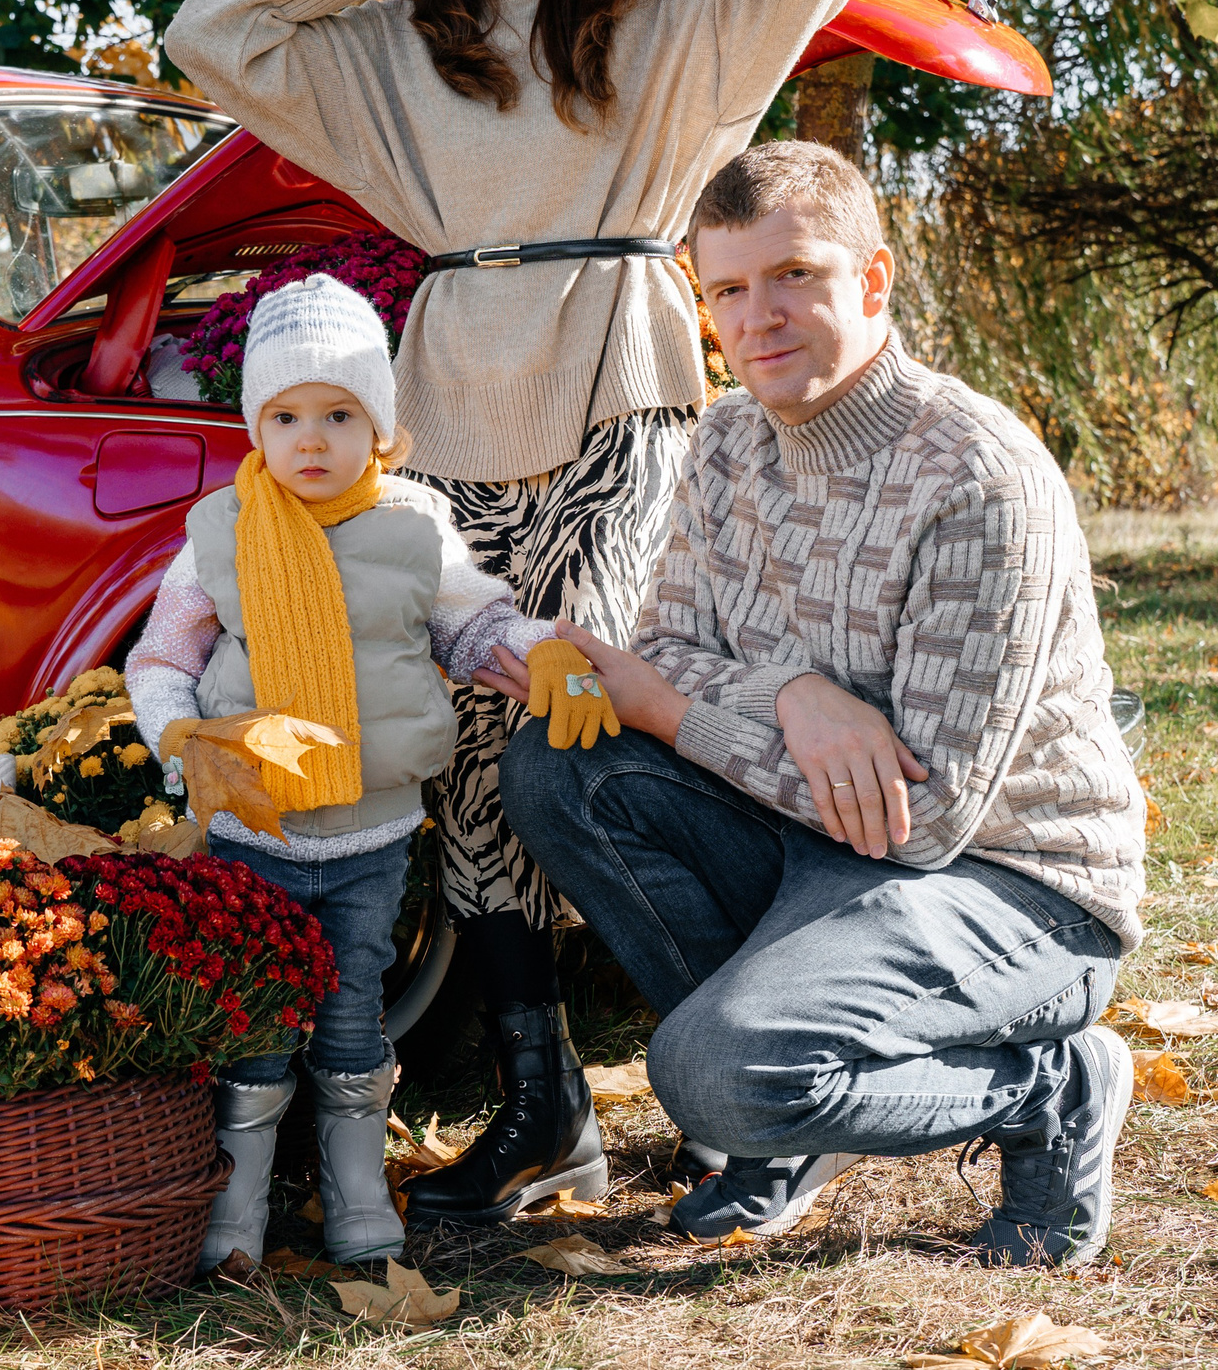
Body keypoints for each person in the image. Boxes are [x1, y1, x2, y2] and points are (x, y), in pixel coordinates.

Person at [163, 0, 871, 1221]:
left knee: (598, 710)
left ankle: (753, 1085)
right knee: (475, 754)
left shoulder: (674, 0)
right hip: (455, 395)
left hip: (621, 378)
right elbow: (209, 35)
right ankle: (548, 1107)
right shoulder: (396, 40)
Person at [486, 142, 1148, 1267]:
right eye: (730, 290)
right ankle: (791, 1121)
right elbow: (672, 645)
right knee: (563, 757)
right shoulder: (731, 441)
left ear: (873, 282)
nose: (760, 317)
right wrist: (791, 692)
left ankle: (1048, 1085)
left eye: (795, 275)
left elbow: (925, 820)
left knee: (714, 1077)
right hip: (820, 840)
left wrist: (683, 715)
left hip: (1009, 883)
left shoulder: (977, 478)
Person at [120, 275, 599, 1272]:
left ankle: (351, 1190)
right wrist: (184, 740)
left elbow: (470, 630)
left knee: (350, 1016)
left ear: (376, 427)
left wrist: (540, 652)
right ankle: (236, 1205)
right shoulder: (219, 533)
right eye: (285, 415)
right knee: (255, 1025)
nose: (310, 438)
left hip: (374, 834)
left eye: (339, 414)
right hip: (255, 834)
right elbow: (162, 659)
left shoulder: (414, 526)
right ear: (256, 424)